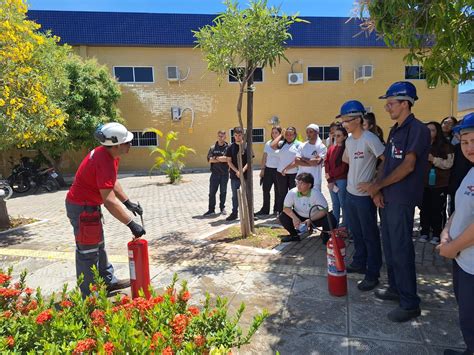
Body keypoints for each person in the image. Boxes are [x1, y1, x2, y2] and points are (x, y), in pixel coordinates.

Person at [360, 81, 430, 322]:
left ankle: (410, 303)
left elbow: (408, 166)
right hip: (388, 196)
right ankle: (395, 288)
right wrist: (377, 190)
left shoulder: (417, 129)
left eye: (391, 103)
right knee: (389, 246)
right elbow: (387, 164)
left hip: (402, 198)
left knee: (401, 248)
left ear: (405, 103)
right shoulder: (394, 130)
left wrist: (377, 186)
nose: (387, 108)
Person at [66, 123, 146, 297]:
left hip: (89, 207)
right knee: (88, 252)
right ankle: (90, 296)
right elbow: (109, 201)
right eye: (127, 143)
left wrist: (127, 202)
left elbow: (111, 181)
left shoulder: (110, 155)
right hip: (81, 208)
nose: (130, 145)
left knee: (99, 247)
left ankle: (107, 281)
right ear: (116, 144)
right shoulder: (103, 160)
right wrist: (131, 224)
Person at [436, 113, 474, 355]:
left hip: (469, 261)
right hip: (463, 261)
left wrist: (452, 247)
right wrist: (446, 231)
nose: (470, 148)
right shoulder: (471, 172)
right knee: (467, 317)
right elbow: (460, 210)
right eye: (465, 142)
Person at [338, 100, 385, 292]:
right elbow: (346, 160)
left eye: (346, 120)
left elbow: (385, 160)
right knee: (356, 233)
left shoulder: (370, 138)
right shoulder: (349, 140)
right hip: (350, 194)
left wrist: (375, 185)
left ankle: (373, 274)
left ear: (358, 119)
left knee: (370, 235)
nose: (343, 124)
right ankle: (359, 262)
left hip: (364, 197)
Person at [419, 122, 454, 244]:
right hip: (424, 183)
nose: (429, 133)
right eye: (427, 130)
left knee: (437, 209)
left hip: (439, 183)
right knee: (424, 209)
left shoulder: (446, 146)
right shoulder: (421, 144)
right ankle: (424, 231)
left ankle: (436, 233)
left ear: (437, 132)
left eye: (432, 130)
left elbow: (448, 164)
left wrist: (433, 159)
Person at [279, 172, 337, 243]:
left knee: (331, 219)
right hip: (299, 216)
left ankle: (325, 234)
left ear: (309, 185)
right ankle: (294, 235)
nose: (299, 186)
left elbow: (324, 210)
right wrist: (294, 218)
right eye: (298, 182)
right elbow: (286, 208)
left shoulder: (316, 193)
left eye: (302, 183)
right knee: (283, 216)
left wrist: (310, 220)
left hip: (314, 217)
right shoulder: (292, 192)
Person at [271, 127, 301, 214]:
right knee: (282, 194)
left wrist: (287, 168)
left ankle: (295, 214)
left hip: (294, 173)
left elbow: (297, 161)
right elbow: (272, 145)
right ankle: (282, 213)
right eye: (287, 134)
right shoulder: (281, 143)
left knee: (294, 194)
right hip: (281, 174)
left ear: (295, 135)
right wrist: (281, 135)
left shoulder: (299, 145)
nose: (288, 136)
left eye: (291, 134)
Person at [324, 125, 348, 227]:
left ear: (345, 137)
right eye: (335, 135)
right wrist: (329, 179)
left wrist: (331, 177)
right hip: (332, 181)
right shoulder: (331, 148)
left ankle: (344, 225)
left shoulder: (346, 149)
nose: (336, 137)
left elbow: (343, 167)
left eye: (339, 135)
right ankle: (335, 224)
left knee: (343, 204)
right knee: (335, 204)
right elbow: (326, 163)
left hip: (341, 180)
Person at [225, 127, 251, 221]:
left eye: (239, 135)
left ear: (242, 135)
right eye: (235, 135)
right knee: (235, 195)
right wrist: (237, 171)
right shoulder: (230, 147)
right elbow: (229, 161)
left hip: (246, 175)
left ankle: (249, 214)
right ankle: (234, 213)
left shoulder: (247, 146)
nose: (237, 137)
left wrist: (242, 170)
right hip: (235, 175)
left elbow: (249, 161)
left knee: (248, 194)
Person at [256, 126, 281, 217]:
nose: (274, 134)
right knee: (265, 190)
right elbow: (264, 157)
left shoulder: (282, 144)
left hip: (278, 170)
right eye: (273, 132)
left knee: (278, 191)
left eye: (276, 133)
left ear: (280, 134)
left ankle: (276, 209)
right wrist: (262, 169)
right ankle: (265, 209)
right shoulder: (268, 143)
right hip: (268, 170)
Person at [203, 130, 229, 216]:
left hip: (224, 174)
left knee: (223, 192)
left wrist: (215, 157)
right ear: (217, 136)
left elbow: (227, 159)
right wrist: (220, 158)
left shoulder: (228, 147)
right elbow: (210, 160)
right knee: (212, 193)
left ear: (225, 137)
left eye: (222, 136)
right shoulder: (213, 148)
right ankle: (211, 210)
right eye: (219, 136)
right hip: (214, 174)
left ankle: (222, 208)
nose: (221, 138)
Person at [295, 124, 327, 191]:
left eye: (311, 132)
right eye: (307, 132)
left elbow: (317, 162)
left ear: (317, 132)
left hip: (315, 181)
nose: (308, 134)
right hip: (301, 180)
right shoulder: (302, 146)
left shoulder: (322, 147)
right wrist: (311, 163)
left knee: (314, 201)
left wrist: (303, 158)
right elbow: (297, 161)